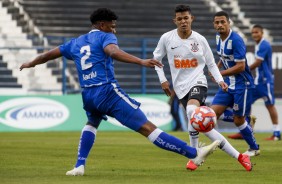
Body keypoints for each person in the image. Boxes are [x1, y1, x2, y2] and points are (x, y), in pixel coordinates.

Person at [19, 8, 222, 176]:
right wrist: (141, 61)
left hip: (88, 94)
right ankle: (192, 153)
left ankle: (79, 165)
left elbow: (48, 54)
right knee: (147, 127)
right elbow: (113, 52)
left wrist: (31, 63)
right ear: (101, 25)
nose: (114, 31)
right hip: (107, 92)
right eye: (112, 26)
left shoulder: (75, 43)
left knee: (92, 123)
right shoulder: (104, 37)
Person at [153, 4, 252, 171]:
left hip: (198, 82)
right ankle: (230, 156)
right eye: (180, 19)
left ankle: (198, 155)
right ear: (175, 21)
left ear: (192, 19)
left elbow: (211, 63)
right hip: (180, 87)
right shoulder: (166, 39)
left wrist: (220, 80)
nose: (183, 21)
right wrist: (163, 80)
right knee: (196, 120)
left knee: (194, 114)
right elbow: (156, 60)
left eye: (186, 18)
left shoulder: (200, 40)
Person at [210, 11, 260, 157]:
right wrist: (217, 67)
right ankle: (246, 119)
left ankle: (254, 148)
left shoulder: (236, 40)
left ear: (228, 22)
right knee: (212, 114)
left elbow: (241, 67)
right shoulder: (218, 38)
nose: (219, 25)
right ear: (214, 24)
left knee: (238, 121)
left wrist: (219, 74)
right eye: (217, 22)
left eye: (222, 22)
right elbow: (223, 56)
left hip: (242, 85)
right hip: (228, 84)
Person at [228, 25, 281, 141]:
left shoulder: (264, 44)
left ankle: (277, 133)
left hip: (265, 81)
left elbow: (258, 62)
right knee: (246, 102)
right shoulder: (258, 45)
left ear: (262, 33)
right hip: (257, 81)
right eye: (252, 33)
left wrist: (244, 69)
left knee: (270, 105)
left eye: (256, 32)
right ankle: (246, 130)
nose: (254, 35)